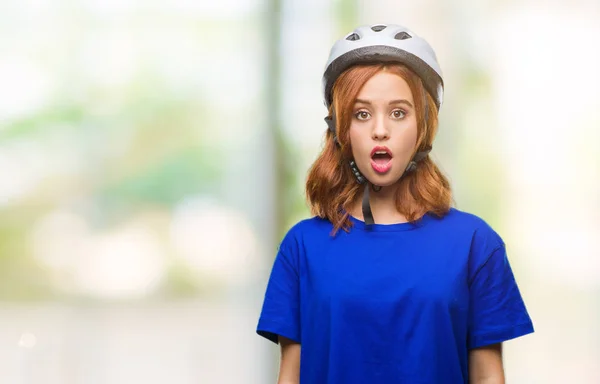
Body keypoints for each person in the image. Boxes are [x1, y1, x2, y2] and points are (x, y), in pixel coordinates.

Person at [256, 23, 534, 384]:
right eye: (362, 113)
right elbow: (289, 376)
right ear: (341, 129)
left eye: (399, 113)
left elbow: (488, 377)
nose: (380, 130)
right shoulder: (302, 247)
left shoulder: (475, 244)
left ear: (424, 126)